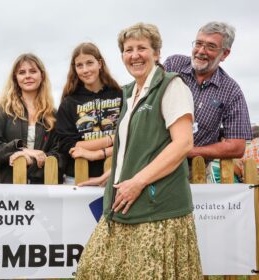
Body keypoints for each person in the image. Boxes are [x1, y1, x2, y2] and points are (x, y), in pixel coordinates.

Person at [76, 23, 203, 279]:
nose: (134, 55)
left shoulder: (171, 86)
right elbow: (136, 145)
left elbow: (183, 144)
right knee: (94, 270)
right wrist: (111, 174)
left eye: (142, 48)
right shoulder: (129, 93)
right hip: (124, 200)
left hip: (157, 207)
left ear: (156, 53)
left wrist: (138, 181)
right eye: (128, 49)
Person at [164, 21, 252, 161]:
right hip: (153, 161)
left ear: (225, 54)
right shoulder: (173, 65)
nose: (201, 51)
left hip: (194, 170)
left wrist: (186, 151)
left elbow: (237, 146)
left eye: (211, 46)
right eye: (198, 43)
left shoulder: (231, 91)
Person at [0, 53, 63, 184]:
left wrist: (34, 160)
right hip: (6, 187)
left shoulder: (52, 114)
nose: (28, 76)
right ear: (15, 78)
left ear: (41, 76)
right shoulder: (2, 109)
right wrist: (23, 151)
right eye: (22, 72)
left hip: (43, 188)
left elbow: (60, 153)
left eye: (33, 71)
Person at [56, 42, 122, 184]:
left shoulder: (120, 95)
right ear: (75, 69)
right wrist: (110, 139)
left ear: (100, 64)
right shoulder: (69, 103)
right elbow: (67, 145)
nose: (85, 70)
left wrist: (92, 151)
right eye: (79, 65)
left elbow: (129, 139)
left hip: (117, 173)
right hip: (78, 177)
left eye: (89, 63)